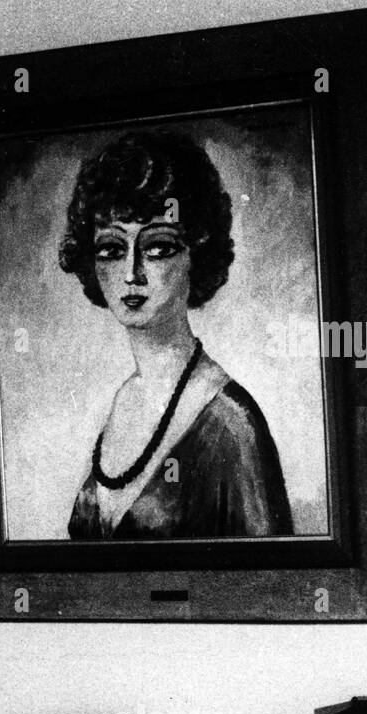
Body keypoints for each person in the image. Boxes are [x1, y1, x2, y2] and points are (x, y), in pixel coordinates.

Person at [58, 130, 293, 540]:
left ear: (196, 256)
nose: (132, 273)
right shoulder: (122, 402)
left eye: (158, 248)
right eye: (112, 249)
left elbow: (269, 587)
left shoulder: (231, 425)